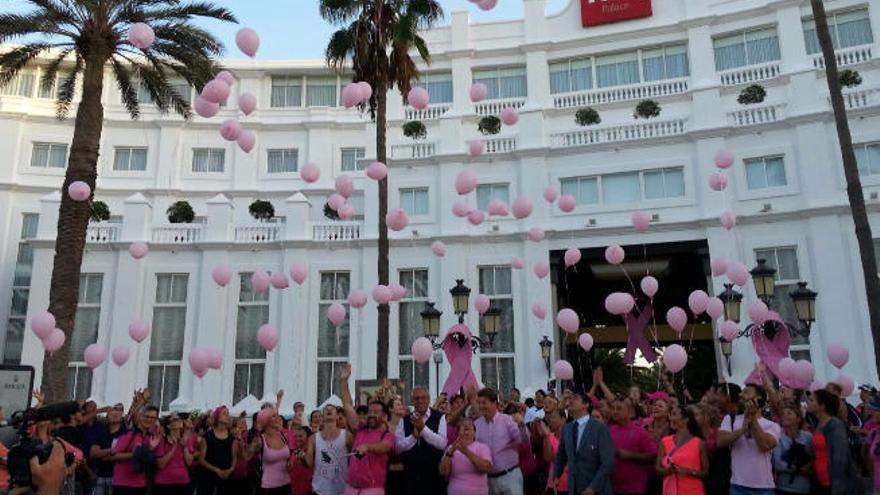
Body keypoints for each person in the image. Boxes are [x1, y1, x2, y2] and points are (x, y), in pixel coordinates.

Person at [340, 364, 395, 495]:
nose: (371, 414)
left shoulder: (388, 436)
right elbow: (347, 405)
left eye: (376, 412)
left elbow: (384, 447)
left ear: (385, 416)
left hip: (373, 489)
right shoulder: (360, 429)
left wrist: (367, 447)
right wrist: (343, 381)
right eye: (370, 411)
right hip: (351, 488)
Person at [718, 384, 780, 495]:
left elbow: (765, 446)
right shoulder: (730, 419)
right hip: (738, 486)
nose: (740, 395)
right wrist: (742, 430)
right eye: (741, 392)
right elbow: (720, 442)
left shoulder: (772, 425)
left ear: (758, 399)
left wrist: (752, 419)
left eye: (746, 392)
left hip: (764, 487)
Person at [552, 392, 615, 495]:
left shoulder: (600, 428)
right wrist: (556, 476)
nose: (570, 401)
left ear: (586, 405)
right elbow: (561, 456)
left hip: (597, 490)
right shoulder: (567, 429)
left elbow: (607, 462)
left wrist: (593, 487)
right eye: (570, 399)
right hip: (574, 488)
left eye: (575, 398)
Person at [473, 388, 530, 495]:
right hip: (488, 480)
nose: (480, 406)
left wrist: (522, 426)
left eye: (484, 403)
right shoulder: (476, 424)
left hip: (510, 477)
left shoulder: (507, 420)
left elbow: (523, 442)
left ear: (494, 403)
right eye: (479, 403)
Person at [808, 389, 863, 495]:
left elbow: (840, 456)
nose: (807, 402)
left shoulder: (834, 424)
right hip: (820, 480)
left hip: (834, 482)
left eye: (812, 400)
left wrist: (838, 486)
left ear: (822, 405)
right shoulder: (818, 424)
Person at [396, 386, 447, 494]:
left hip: (434, 477)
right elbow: (398, 447)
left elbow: (442, 443)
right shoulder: (404, 419)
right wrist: (413, 437)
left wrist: (423, 429)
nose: (420, 401)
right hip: (411, 478)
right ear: (412, 400)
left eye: (423, 398)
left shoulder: (440, 417)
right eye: (417, 398)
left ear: (428, 399)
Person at [655, 404, 708, 495]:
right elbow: (657, 469)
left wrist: (689, 472)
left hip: (694, 491)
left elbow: (706, 472)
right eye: (671, 415)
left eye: (674, 414)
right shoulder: (664, 441)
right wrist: (668, 471)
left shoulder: (699, 443)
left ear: (686, 419)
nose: (671, 418)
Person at [609, 399, 656, 495]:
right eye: (613, 409)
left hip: (634, 489)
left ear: (629, 412)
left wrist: (630, 455)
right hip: (612, 488)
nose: (614, 412)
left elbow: (653, 457)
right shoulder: (609, 431)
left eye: (618, 409)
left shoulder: (641, 432)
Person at [110, 405, 160, 495]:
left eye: (152, 417)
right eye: (146, 416)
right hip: (123, 484)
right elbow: (113, 456)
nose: (149, 420)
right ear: (140, 416)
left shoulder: (151, 437)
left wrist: (149, 450)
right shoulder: (129, 434)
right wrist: (135, 454)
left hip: (140, 484)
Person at [439, 417, 492, 495]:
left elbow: (487, 468)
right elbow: (443, 472)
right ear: (458, 432)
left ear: (474, 432)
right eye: (463, 425)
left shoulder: (483, 447)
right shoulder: (451, 448)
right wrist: (449, 454)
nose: (467, 425)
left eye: (470, 424)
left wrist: (466, 451)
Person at [306, 404, 352, 495]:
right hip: (319, 490)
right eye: (326, 409)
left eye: (332, 409)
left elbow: (352, 461)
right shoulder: (313, 438)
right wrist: (303, 455)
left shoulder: (347, 435)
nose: (329, 410)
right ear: (322, 416)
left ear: (337, 416)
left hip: (342, 489)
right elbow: (309, 463)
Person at [248, 406, 292, 495]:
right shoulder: (259, 439)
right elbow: (246, 456)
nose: (278, 418)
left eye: (277, 415)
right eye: (274, 416)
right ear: (266, 420)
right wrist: (239, 439)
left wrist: (290, 462)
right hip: (268, 488)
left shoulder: (283, 436)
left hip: (286, 485)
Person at [771, 404, 814, 495]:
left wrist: (809, 466)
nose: (784, 415)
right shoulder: (778, 436)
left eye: (789, 413)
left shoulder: (807, 437)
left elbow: (813, 458)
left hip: (804, 488)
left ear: (798, 419)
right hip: (783, 487)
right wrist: (799, 469)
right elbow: (778, 464)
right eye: (783, 413)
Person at [86, 402, 127, 495]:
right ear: (107, 416)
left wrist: (104, 453)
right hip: (101, 475)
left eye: (118, 413)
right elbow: (93, 453)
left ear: (122, 417)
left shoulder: (126, 433)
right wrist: (113, 449)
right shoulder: (101, 433)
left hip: (118, 478)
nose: (115, 415)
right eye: (112, 413)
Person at [197, 406, 237, 495]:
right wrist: (217, 470)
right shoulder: (207, 436)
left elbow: (234, 457)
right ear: (218, 417)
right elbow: (201, 459)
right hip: (208, 477)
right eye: (224, 413)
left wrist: (231, 469)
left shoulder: (232, 438)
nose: (227, 416)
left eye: (228, 414)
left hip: (226, 477)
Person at [154, 412, 194, 495]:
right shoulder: (161, 441)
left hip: (183, 482)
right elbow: (160, 464)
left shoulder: (186, 440)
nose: (179, 421)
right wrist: (174, 446)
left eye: (179, 419)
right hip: (164, 483)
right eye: (175, 419)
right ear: (168, 426)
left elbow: (189, 462)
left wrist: (185, 446)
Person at [539, 411, 568, 495]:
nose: (551, 420)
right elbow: (548, 458)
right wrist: (546, 436)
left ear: (563, 419)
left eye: (554, 417)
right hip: (553, 484)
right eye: (550, 418)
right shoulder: (549, 436)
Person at [289, 427, 313, 495]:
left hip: (309, 490)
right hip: (295, 489)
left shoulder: (312, 452)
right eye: (296, 436)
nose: (297, 439)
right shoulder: (295, 451)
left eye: (300, 436)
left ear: (309, 437)